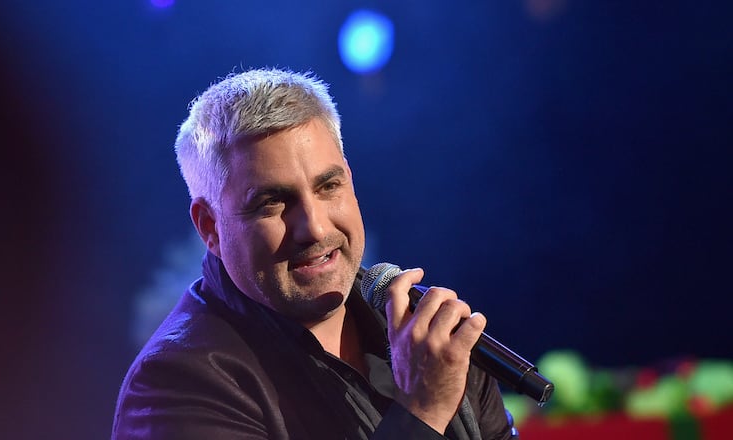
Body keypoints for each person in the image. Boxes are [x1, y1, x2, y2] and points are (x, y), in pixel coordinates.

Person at [112, 68, 517, 439]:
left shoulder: (428, 337)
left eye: (328, 186)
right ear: (210, 227)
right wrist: (423, 408)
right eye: (272, 202)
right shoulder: (178, 382)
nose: (317, 227)